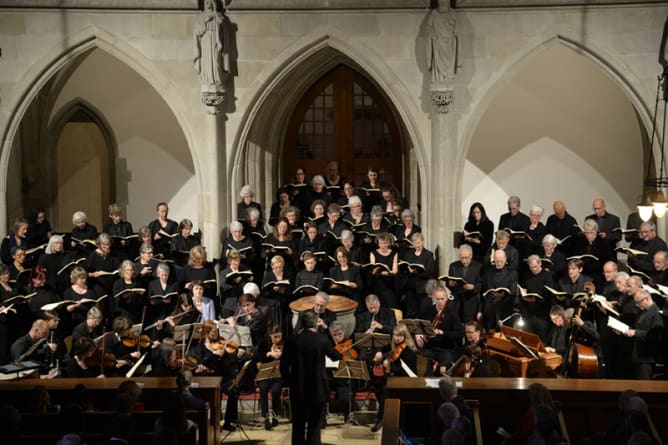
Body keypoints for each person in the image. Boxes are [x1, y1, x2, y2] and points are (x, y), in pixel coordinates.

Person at [280, 309, 342, 445]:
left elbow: (283, 364)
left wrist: (287, 382)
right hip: (317, 387)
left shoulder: (292, 340)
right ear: (315, 324)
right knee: (314, 426)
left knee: (298, 424)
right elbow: (336, 356)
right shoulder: (322, 339)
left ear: (301, 324)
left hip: (297, 387)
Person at [370, 323, 417, 432]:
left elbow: (405, 371)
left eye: (400, 336)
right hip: (394, 378)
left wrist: (390, 366)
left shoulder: (408, 352)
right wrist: (379, 353)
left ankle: (380, 419)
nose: (397, 338)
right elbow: (383, 348)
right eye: (395, 335)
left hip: (405, 381)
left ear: (405, 336)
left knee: (385, 390)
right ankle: (386, 415)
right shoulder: (394, 346)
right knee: (377, 387)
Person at [415, 285, 463, 368]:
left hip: (446, 349)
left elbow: (459, 334)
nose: (440, 302)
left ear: (446, 298)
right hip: (429, 347)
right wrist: (417, 335)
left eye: (442, 299)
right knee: (421, 360)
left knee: (446, 362)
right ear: (433, 299)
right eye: (438, 299)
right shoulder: (426, 311)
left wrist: (442, 332)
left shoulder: (453, 313)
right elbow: (418, 326)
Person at [623, 289, 663, 379]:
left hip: (647, 358)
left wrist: (635, 332)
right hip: (638, 355)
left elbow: (655, 335)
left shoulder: (657, 313)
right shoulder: (642, 312)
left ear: (646, 299)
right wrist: (626, 331)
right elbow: (639, 329)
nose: (637, 305)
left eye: (638, 302)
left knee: (645, 385)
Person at [255, 325, 284, 430]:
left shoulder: (285, 344)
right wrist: (268, 354)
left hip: (278, 375)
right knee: (263, 389)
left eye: (279, 337)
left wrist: (281, 355)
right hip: (264, 375)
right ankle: (266, 418)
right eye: (275, 337)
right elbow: (257, 358)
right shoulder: (263, 343)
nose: (277, 339)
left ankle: (275, 417)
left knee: (276, 390)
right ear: (270, 335)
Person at [481, 249, 517, 331]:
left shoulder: (512, 273)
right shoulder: (488, 272)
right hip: (489, 310)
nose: (499, 263)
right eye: (497, 261)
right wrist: (480, 310)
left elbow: (514, 291)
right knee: (489, 336)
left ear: (505, 259)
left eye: (501, 261)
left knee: (504, 338)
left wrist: (504, 294)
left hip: (504, 310)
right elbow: (483, 291)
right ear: (494, 259)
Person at [446, 244, 482, 324]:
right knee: (455, 323)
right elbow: (448, 283)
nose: (464, 260)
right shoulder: (453, 266)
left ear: (471, 255)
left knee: (469, 325)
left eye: (466, 257)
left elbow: (481, 284)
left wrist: (473, 287)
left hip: (470, 300)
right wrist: (450, 285)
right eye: (462, 258)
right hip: (456, 300)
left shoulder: (478, 266)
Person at [193, 0, 226, 87]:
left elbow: (221, 23)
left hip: (215, 39)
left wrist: (215, 12)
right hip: (206, 40)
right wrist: (206, 20)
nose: (209, 4)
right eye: (207, 2)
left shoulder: (217, 14)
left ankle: (217, 79)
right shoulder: (201, 16)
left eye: (211, 2)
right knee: (207, 60)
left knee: (216, 60)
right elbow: (197, 30)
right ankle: (207, 79)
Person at [426, 0, 458, 83]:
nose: (443, 2)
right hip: (438, 43)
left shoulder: (453, 13)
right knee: (437, 62)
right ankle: (438, 78)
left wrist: (454, 28)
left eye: (445, 1)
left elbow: (458, 30)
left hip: (449, 44)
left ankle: (448, 78)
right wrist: (432, 34)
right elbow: (428, 28)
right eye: (441, 1)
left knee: (450, 64)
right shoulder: (434, 13)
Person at [368, 232, 399, 308]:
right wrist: (375, 271)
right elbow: (372, 266)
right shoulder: (373, 253)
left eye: (385, 243)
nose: (383, 245)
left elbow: (395, 270)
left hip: (389, 283)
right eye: (381, 243)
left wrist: (388, 273)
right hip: (377, 282)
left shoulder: (394, 253)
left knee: (391, 305)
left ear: (389, 243)